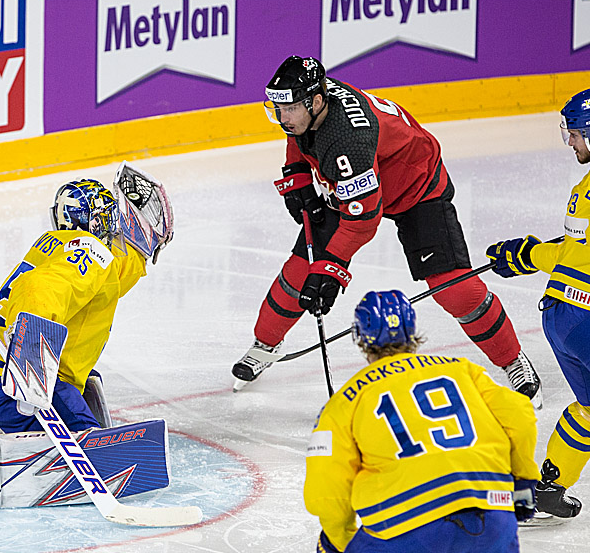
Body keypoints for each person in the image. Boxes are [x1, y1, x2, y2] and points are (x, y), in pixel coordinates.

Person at [232, 55, 542, 409]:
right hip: (362, 180)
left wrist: (331, 269)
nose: (282, 118)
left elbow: (363, 221)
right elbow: (299, 135)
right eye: (277, 108)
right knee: (300, 271)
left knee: (455, 289)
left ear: (316, 101)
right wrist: (297, 172)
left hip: (416, 187)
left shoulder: (347, 140)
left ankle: (512, 359)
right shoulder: (311, 108)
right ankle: (264, 343)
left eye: (287, 109)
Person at [304, 289, 540, 553]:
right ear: (414, 330)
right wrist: (522, 480)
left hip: (407, 522)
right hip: (488, 509)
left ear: (360, 337)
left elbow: (327, 484)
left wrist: (338, 539)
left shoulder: (347, 399)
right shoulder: (461, 369)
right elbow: (520, 414)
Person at [0, 167, 174, 509]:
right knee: (78, 424)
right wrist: (30, 361)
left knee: (84, 384)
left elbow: (112, 276)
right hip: (7, 368)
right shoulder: (92, 253)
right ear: (95, 222)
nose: (113, 222)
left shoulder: (60, 244)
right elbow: (41, 289)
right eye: (107, 215)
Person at [485, 87, 590, 520]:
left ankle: (542, 491)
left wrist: (526, 255)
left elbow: (574, 252)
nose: (572, 144)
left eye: (575, 136)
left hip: (561, 316)